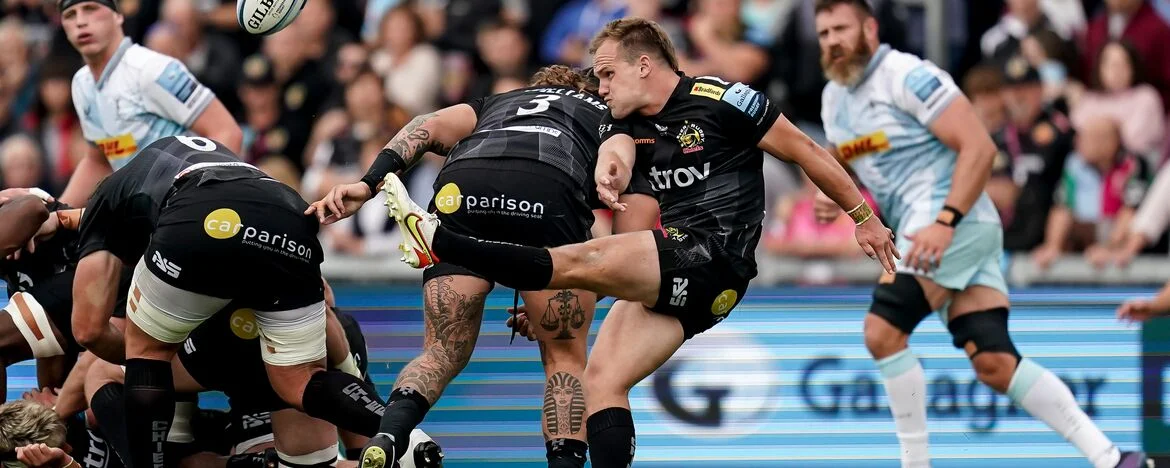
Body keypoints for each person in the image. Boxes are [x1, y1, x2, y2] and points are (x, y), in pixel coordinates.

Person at [336, 17, 899, 467]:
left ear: (644, 64)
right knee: (601, 380)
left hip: (716, 252)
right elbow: (627, 197)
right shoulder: (624, 127)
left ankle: (444, 238)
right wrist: (607, 183)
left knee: (586, 259)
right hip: (682, 270)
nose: (600, 89)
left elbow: (805, 151)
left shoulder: (724, 98)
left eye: (607, 75)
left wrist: (861, 217)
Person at [811, 1, 1148, 467]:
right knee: (994, 364)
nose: (832, 41)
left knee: (882, 331)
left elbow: (979, 146)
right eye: (824, 32)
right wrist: (837, 192)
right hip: (948, 230)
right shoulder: (835, 98)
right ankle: (1114, 458)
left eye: (841, 28)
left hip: (950, 225)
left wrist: (945, 221)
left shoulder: (908, 76)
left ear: (870, 28)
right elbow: (855, 151)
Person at [307, 64, 658, 468]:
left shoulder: (500, 102)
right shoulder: (609, 118)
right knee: (564, 358)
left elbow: (427, 125)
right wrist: (570, 282)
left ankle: (389, 436)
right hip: (546, 190)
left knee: (439, 353)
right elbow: (622, 251)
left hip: (465, 186)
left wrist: (368, 185)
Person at [54, 135, 384, 468]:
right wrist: (353, 377)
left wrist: (59, 415)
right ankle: (401, 432)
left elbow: (88, 331)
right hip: (286, 213)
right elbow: (327, 310)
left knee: (133, 360)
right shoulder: (219, 172)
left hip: (212, 284)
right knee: (305, 387)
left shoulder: (110, 203)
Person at [55, 0, 243, 207]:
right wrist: (58, 212)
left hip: (183, 210)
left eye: (91, 9)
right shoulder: (82, 83)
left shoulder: (152, 69)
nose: (80, 21)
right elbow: (98, 161)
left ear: (118, 15)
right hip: (142, 217)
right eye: (70, 15)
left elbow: (226, 132)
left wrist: (196, 203)